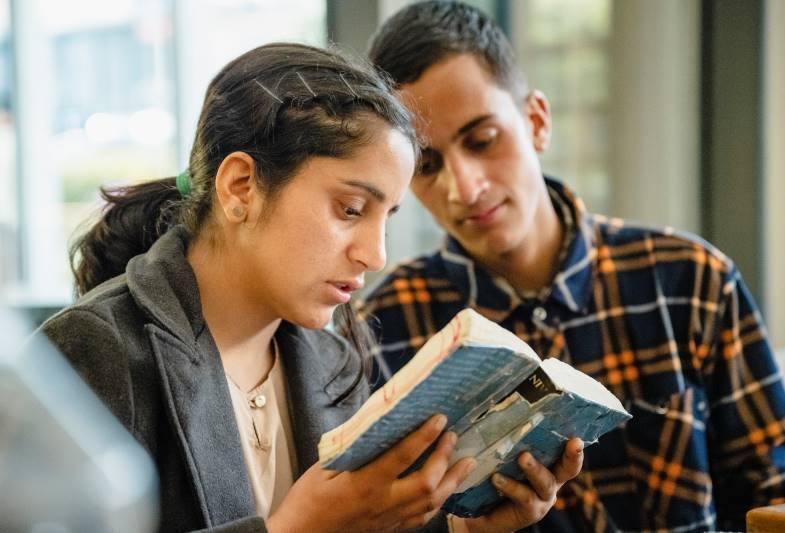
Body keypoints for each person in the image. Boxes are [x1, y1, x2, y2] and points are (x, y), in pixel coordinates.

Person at [35, 42, 581, 532]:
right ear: (241, 187)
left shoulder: (334, 360)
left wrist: (467, 532)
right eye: (350, 209)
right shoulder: (93, 349)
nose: (376, 254)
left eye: (385, 217)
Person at [357, 2, 785, 532]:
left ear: (536, 122)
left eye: (483, 140)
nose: (463, 188)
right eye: (427, 165)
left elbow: (774, 490)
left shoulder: (692, 281)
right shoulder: (382, 326)